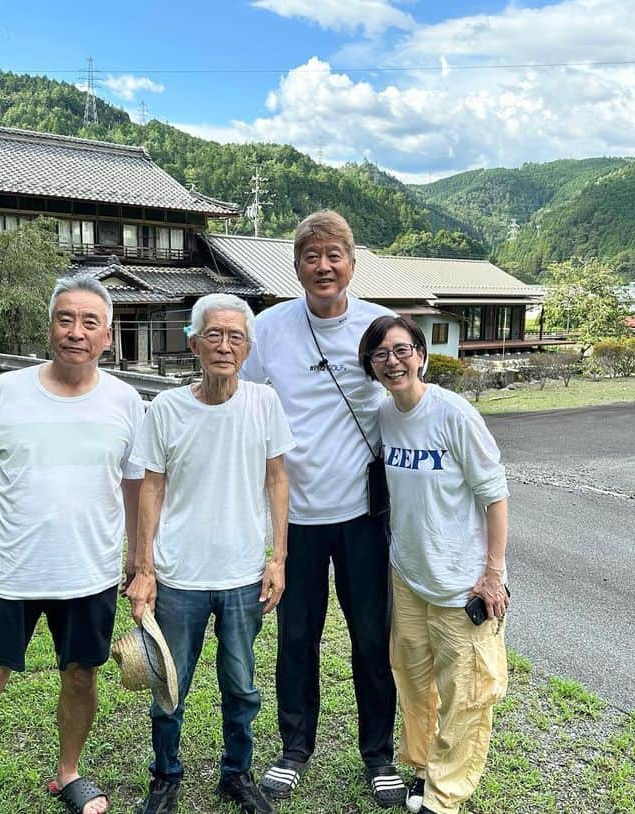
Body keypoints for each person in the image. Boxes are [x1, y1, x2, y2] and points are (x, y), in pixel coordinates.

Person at [0, 273, 144, 814]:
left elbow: (137, 485)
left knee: (80, 675)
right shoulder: (5, 393)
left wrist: (142, 560)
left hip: (89, 572)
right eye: (65, 319)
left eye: (89, 322)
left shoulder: (125, 401)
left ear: (108, 335)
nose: (76, 331)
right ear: (49, 327)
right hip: (10, 574)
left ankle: (69, 772)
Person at [241, 210, 407, 807]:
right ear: (296, 267)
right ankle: (293, 748)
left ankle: (379, 753)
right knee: (297, 635)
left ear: (352, 263)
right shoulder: (269, 328)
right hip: (296, 516)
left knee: (371, 635)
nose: (324, 267)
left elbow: (411, 393)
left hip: (365, 514)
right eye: (312, 257)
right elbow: (245, 402)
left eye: (334, 255)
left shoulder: (378, 327)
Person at [126, 293, 294, 814]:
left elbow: (277, 479)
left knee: (241, 685)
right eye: (214, 335)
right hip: (179, 575)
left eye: (236, 336)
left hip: (243, 572)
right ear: (193, 342)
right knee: (168, 684)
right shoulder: (167, 409)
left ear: (248, 347)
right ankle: (165, 776)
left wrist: (278, 558)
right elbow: (150, 487)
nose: (225, 345)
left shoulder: (264, 402)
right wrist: (144, 568)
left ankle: (236, 774)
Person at [358, 315, 510, 814]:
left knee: (465, 691)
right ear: (371, 367)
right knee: (413, 679)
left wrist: (493, 571)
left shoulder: (453, 414)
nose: (392, 361)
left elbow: (494, 493)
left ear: (420, 355)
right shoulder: (385, 414)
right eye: (380, 355)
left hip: (461, 582)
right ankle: (423, 766)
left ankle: (444, 797)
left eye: (401, 350)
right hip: (409, 575)